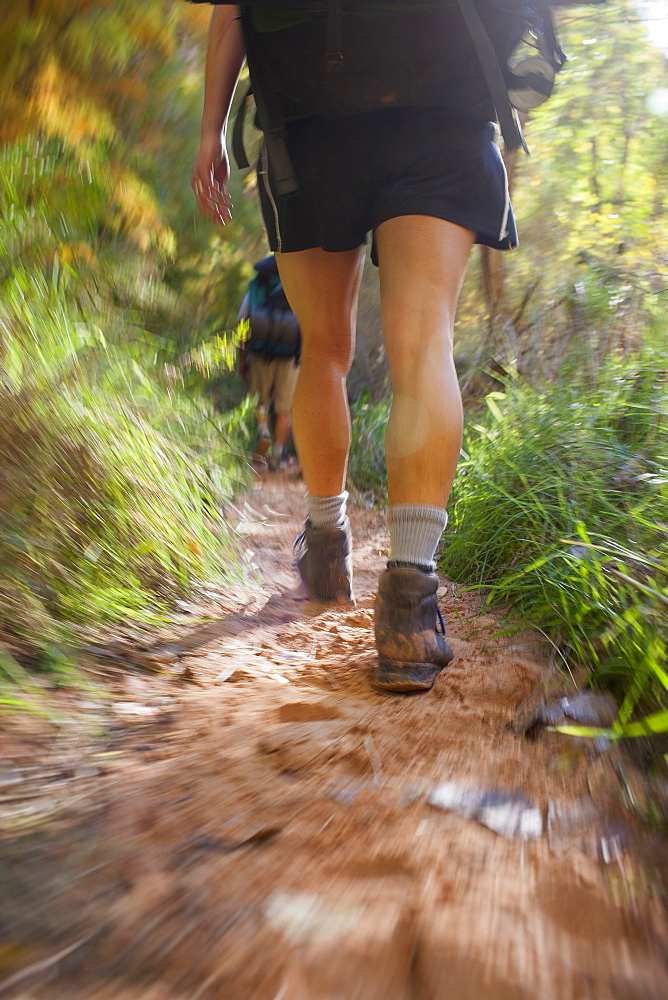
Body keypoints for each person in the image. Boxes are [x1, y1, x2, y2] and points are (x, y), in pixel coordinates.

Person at [191, 0, 518, 693]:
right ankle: (409, 599)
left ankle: (326, 542)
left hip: (310, 122)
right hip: (443, 101)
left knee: (326, 347)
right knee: (423, 336)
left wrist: (210, 135)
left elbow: (232, 13)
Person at [237, 254, 300, 471]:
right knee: (284, 409)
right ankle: (278, 455)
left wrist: (241, 358)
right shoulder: (297, 285)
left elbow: (243, 324)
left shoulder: (257, 287)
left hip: (259, 352)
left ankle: (264, 432)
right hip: (290, 357)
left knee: (260, 402)